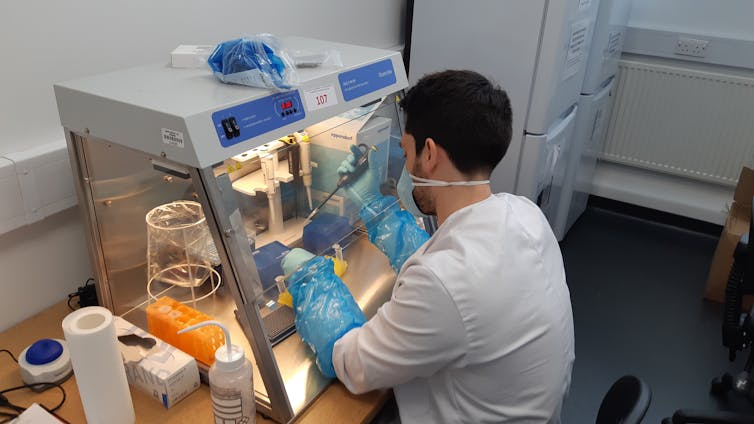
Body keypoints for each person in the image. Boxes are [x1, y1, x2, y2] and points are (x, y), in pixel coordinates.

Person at [281, 70, 575, 423]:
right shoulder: (525, 215)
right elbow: (443, 263)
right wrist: (372, 202)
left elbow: (353, 364)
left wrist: (310, 278)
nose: (406, 166)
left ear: (430, 153)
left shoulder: (443, 284)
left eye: (406, 151)